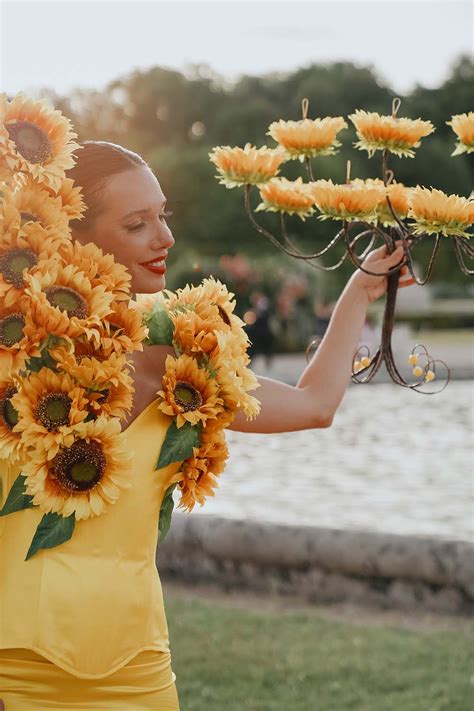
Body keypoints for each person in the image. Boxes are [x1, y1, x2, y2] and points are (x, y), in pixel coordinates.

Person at [0, 140, 415, 709]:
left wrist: (360, 288)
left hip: (138, 668)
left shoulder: (190, 355)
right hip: (15, 670)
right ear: (71, 237)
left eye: (162, 215)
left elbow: (314, 405)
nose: (164, 237)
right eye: (137, 224)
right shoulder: (14, 353)